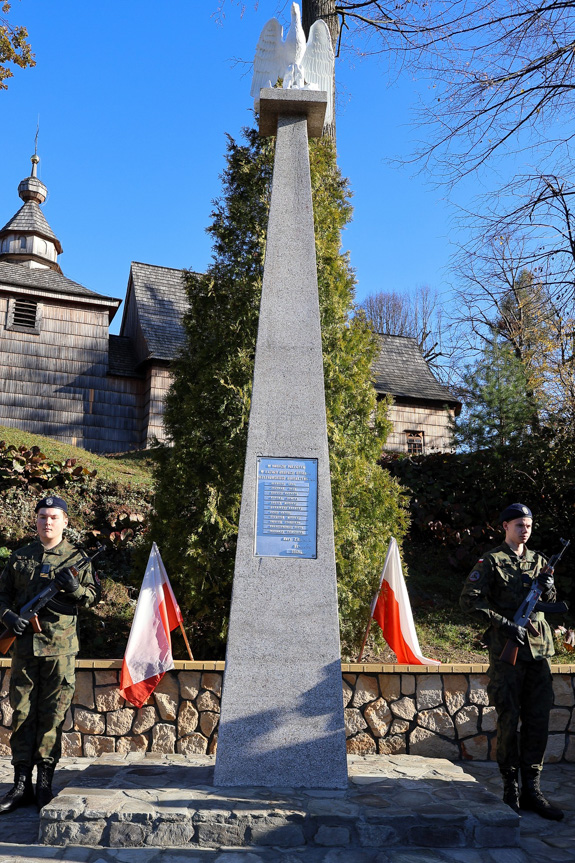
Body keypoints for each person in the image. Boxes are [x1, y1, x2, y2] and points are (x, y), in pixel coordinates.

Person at [460, 502, 564, 820]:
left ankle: (532, 789)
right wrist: (505, 624)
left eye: (529, 524)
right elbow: (469, 601)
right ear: (505, 526)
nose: (525, 529)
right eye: (519, 524)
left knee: (538, 722)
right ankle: (511, 788)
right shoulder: (491, 561)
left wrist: (546, 589)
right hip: (508, 655)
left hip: (538, 654)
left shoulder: (540, 561)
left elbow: (549, 602)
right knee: (509, 720)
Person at [0, 495, 100, 812]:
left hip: (60, 651)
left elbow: (92, 598)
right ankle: (20, 785)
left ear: (65, 522)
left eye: (54, 517)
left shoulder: (77, 558)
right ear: (37, 520)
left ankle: (44, 784)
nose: (48, 522)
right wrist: (9, 618)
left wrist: (74, 590)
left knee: (52, 717)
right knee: (22, 714)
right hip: (25, 650)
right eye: (43, 516)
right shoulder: (19, 558)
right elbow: (1, 596)